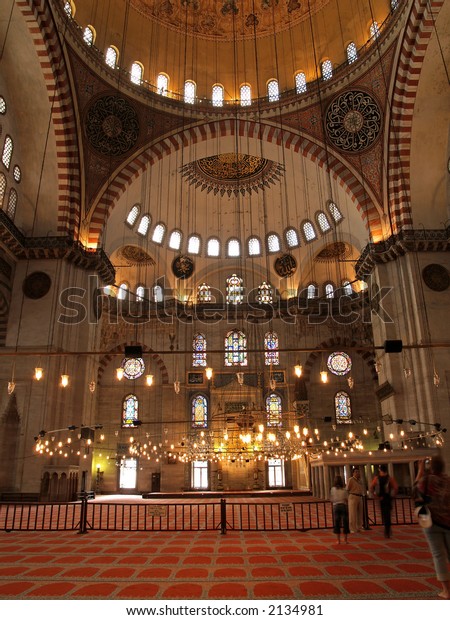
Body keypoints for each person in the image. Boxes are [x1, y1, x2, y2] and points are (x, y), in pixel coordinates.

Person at [415, 455, 450, 599]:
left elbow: (415, 488)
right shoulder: (448, 481)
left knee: (438, 555)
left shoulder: (426, 480)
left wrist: (421, 469)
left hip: (431, 522)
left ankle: (446, 591)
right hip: (448, 521)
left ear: (431, 467)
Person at [370, 464, 398, 538]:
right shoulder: (389, 478)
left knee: (384, 515)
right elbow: (395, 488)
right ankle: (387, 529)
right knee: (387, 514)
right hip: (388, 498)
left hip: (381, 498)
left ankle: (387, 529)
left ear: (380, 470)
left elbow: (371, 487)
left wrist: (375, 496)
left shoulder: (377, 478)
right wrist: (392, 496)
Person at [330, 474, 349, 544]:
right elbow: (346, 498)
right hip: (343, 505)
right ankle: (346, 539)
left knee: (337, 523)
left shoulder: (333, 489)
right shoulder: (344, 489)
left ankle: (338, 540)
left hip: (336, 506)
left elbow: (331, 499)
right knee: (345, 523)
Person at [347, 467, 364, 533]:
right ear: (353, 473)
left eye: (358, 472)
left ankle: (359, 527)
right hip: (353, 496)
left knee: (359, 513)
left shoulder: (359, 480)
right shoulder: (351, 479)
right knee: (352, 513)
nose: (357, 473)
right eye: (356, 472)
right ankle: (352, 528)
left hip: (359, 497)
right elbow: (347, 489)